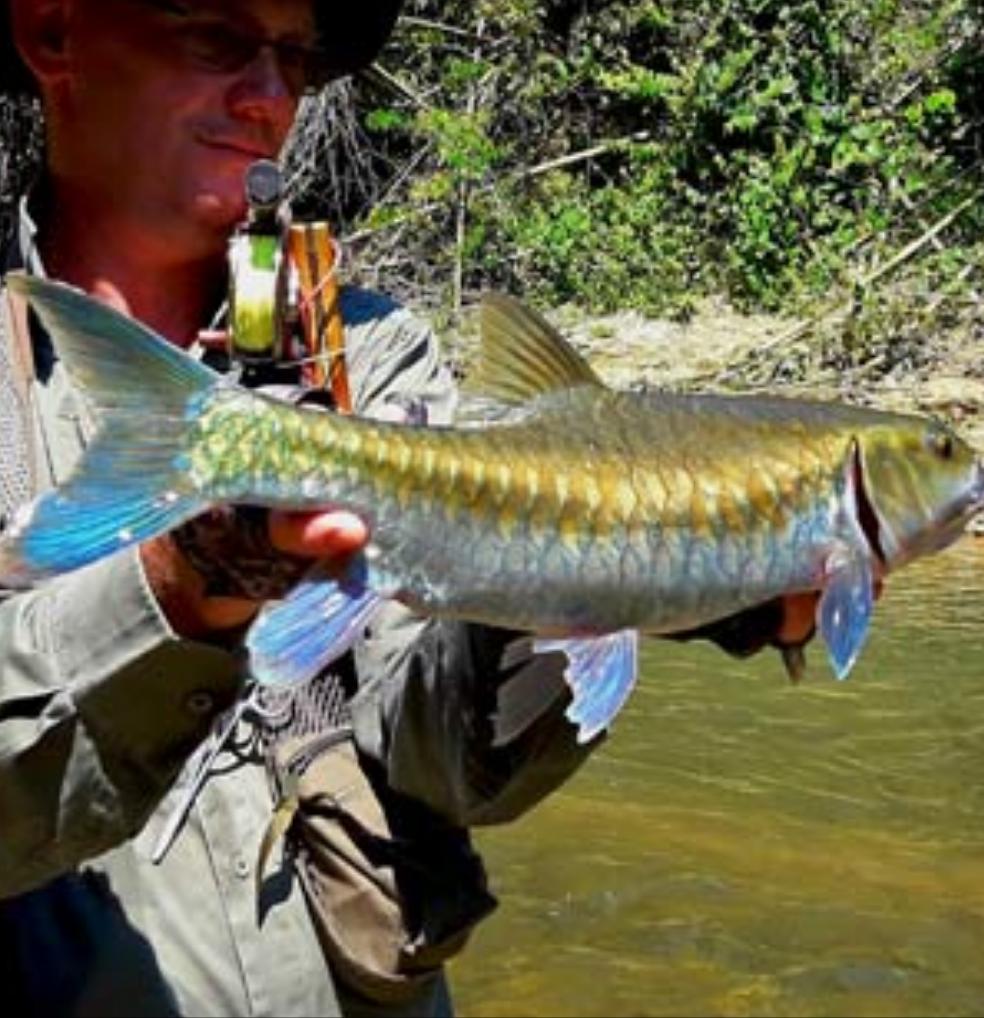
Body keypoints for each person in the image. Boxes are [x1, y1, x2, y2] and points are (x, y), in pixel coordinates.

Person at [0, 1, 822, 1015]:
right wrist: (172, 593)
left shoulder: (370, 358)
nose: (266, 98)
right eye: (214, 36)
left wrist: (584, 593)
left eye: (295, 57)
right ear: (53, 34)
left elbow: (446, 763)